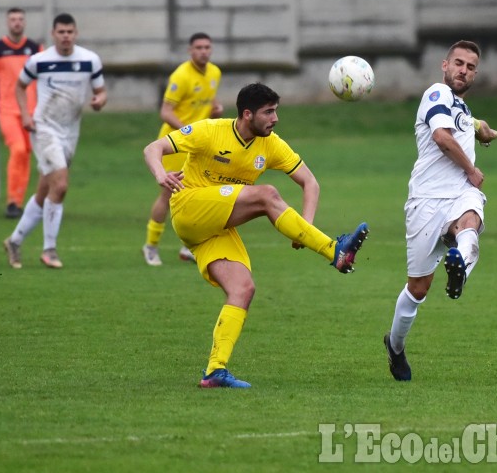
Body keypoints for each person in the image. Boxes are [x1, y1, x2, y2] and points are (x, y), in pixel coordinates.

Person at [143, 82, 369, 389]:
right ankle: (334, 252)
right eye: (269, 112)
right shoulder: (211, 131)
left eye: (276, 111)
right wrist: (161, 174)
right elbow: (153, 148)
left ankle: (215, 371)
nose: (275, 118)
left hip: (213, 229)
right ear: (247, 114)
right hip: (188, 207)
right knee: (267, 195)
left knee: (243, 289)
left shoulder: (271, 144)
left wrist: (304, 228)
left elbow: (310, 183)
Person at [384, 40, 497, 382]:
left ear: (475, 73)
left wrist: (483, 130)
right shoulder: (436, 93)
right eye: (459, 63)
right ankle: (395, 346)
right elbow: (442, 138)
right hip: (426, 201)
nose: (464, 70)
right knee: (417, 288)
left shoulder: (459, 106)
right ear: (444, 65)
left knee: (470, 225)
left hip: (458, 196)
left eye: (471, 66)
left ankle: (459, 269)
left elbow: (466, 123)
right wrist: (472, 170)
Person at [3, 13, 107, 269]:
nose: (66, 37)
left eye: (70, 32)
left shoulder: (89, 60)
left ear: (76, 33)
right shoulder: (40, 60)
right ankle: (49, 249)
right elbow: (19, 86)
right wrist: (26, 115)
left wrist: (99, 101)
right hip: (44, 128)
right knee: (60, 186)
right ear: (53, 34)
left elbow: (100, 91)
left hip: (70, 132)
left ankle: (14, 241)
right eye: (61, 32)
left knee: (44, 191)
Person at [142, 32, 224, 266]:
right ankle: (150, 246)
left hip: (200, 146)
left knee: (203, 191)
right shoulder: (181, 76)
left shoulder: (215, 72)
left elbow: (206, 104)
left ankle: (189, 247)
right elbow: (165, 112)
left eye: (207, 47)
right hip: (175, 146)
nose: (204, 51)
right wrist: (188, 132)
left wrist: (214, 111)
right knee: (168, 194)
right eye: (198, 47)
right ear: (190, 50)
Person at [0, 7, 43, 218]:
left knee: (25, 154)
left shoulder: (35, 48)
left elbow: (44, 79)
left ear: (24, 23)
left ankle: (18, 201)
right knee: (17, 149)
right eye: (13, 19)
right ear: (7, 23)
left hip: (32, 112)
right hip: (7, 110)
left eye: (20, 19)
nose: (17, 22)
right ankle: (12, 202)